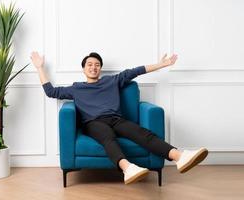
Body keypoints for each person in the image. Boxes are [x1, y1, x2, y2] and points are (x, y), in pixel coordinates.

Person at [30, 51, 208, 185]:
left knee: (141, 133)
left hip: (116, 119)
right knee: (107, 136)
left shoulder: (111, 81)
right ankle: (127, 168)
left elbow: (135, 71)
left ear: (100, 68)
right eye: (90, 64)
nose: (93, 67)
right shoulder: (76, 88)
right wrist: (39, 67)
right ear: (84, 69)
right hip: (93, 123)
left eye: (97, 64)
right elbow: (51, 91)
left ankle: (179, 157)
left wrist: (161, 64)